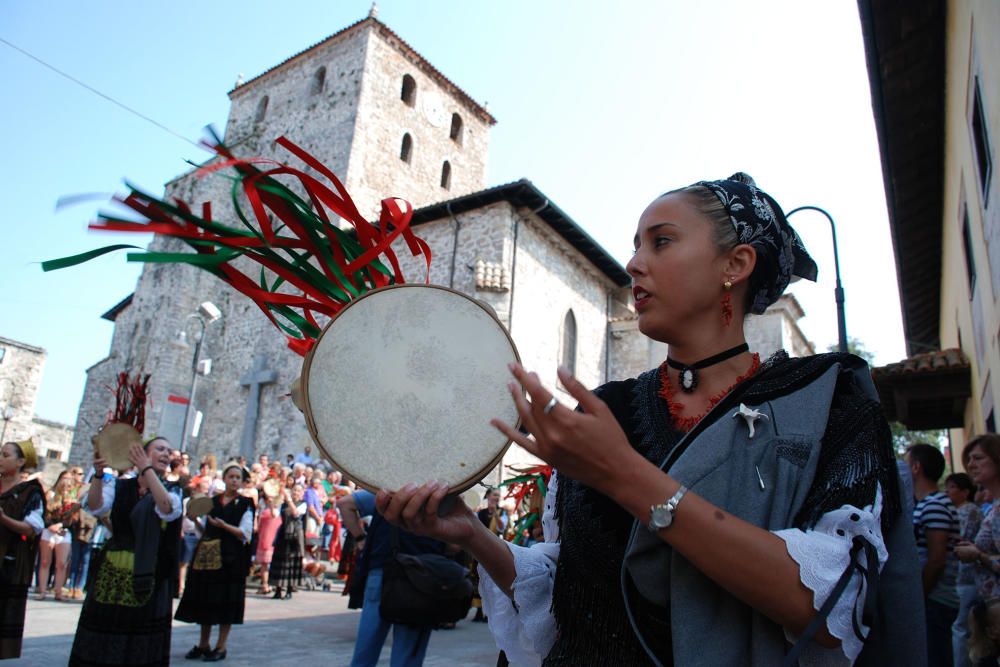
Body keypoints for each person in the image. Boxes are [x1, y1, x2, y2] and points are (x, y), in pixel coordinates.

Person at [375, 174, 924, 665]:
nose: (635, 263)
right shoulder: (606, 405)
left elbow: (826, 607)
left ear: (736, 265)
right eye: (636, 246)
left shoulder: (828, 400)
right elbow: (570, 584)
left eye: (661, 241)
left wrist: (622, 473)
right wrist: (471, 534)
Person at [69, 437, 183, 666]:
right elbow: (95, 505)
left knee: (139, 637)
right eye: (160, 449)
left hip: (149, 571)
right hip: (114, 568)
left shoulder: (173, 490)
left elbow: (167, 508)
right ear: (142, 453)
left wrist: (146, 468)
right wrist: (99, 476)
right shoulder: (120, 485)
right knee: (105, 630)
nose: (166, 454)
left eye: (168, 451)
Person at [338, 489, 446, 667]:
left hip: (382, 570)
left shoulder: (386, 488)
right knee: (407, 655)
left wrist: (360, 537)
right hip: (420, 577)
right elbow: (453, 547)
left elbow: (345, 504)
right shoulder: (438, 494)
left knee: (366, 648)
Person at [175, 462, 255, 662]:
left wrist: (224, 526)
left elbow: (245, 534)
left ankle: (221, 645)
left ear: (242, 481)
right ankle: (203, 643)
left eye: (238, 477)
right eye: (231, 477)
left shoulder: (246, 503)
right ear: (224, 479)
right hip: (209, 557)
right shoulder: (212, 501)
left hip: (231, 559)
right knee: (207, 601)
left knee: (226, 604)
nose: (234, 480)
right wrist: (194, 521)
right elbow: (205, 531)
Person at [908, 443, 962, 666]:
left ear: (916, 468)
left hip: (935, 599)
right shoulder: (930, 504)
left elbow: (937, 559)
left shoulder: (934, 505)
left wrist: (919, 595)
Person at [0, 440, 44, 659]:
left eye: (5, 455)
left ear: (20, 462)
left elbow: (32, 528)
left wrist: (3, 518)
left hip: (8, 565)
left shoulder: (30, 492)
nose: (0, 458)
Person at [947, 472, 982, 667]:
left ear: (965, 492)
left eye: (952, 487)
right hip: (965, 576)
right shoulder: (961, 509)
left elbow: (961, 540)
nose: (947, 491)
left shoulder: (968, 511)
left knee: (960, 627)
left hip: (966, 576)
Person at [37, 469, 78, 601]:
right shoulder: (51, 494)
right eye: (64, 478)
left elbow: (73, 519)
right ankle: (42, 590)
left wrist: (61, 525)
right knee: (44, 562)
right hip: (49, 530)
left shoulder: (73, 498)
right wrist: (50, 526)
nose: (66, 482)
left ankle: (58, 591)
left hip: (64, 532)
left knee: (61, 564)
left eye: (69, 479)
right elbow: (44, 512)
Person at [269, 483, 306, 600]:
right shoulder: (284, 504)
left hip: (295, 537)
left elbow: (296, 514)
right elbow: (275, 514)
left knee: (291, 564)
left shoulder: (303, 504)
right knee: (280, 563)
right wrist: (272, 502)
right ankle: (278, 590)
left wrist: (289, 500)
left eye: (298, 491)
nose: (296, 493)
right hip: (283, 535)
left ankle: (289, 590)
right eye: (294, 490)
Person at [255, 488, 283, 595]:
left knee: (265, 565)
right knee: (265, 565)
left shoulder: (272, 512)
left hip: (268, 541)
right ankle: (266, 585)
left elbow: (273, 514)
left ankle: (266, 585)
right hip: (267, 540)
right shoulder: (271, 512)